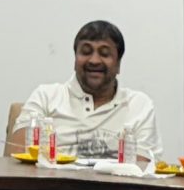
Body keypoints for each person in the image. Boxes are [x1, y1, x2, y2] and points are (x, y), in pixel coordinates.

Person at [18, 19, 160, 159]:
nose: (94, 60)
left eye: (104, 54)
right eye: (86, 52)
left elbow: (142, 168)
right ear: (75, 60)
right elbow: (17, 159)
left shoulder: (138, 105)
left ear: (118, 64)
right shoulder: (46, 97)